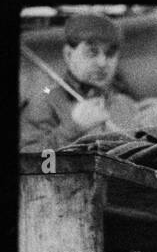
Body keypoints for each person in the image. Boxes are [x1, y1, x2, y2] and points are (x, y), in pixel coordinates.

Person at [20, 13, 140, 152]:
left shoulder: (126, 105)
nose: (102, 63)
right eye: (92, 52)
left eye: (110, 54)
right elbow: (28, 164)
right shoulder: (43, 103)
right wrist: (73, 127)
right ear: (68, 55)